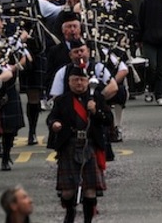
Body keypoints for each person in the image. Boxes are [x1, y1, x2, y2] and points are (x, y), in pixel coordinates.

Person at [46, 64, 112, 223]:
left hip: (90, 145)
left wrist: (95, 111)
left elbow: (108, 120)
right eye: (75, 80)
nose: (79, 83)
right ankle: (70, 213)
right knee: (67, 191)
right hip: (69, 145)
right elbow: (51, 118)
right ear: (69, 82)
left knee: (90, 189)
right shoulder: (62, 100)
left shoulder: (96, 98)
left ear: (88, 81)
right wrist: (54, 124)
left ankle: (88, 220)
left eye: (82, 80)